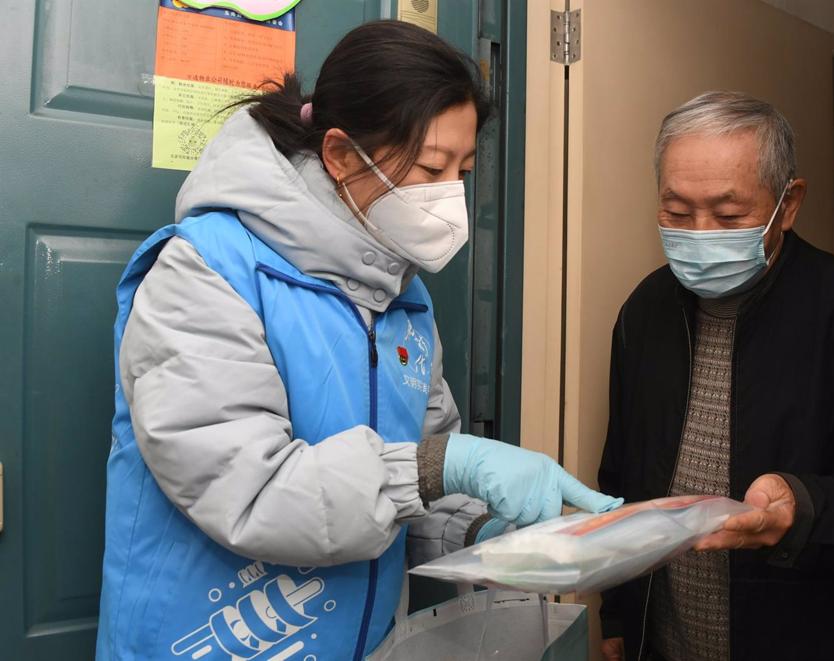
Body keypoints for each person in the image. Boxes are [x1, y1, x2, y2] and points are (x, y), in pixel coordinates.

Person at [97, 20, 620, 661]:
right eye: (432, 167)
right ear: (342, 155)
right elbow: (250, 491)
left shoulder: (403, 296)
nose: (451, 195)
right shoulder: (208, 269)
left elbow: (419, 489)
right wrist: (440, 464)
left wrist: (498, 533)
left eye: (463, 169)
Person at [598, 91, 834, 661]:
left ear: (788, 205)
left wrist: (802, 510)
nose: (701, 233)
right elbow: (623, 471)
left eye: (730, 214)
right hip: (663, 641)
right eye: (678, 211)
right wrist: (618, 611)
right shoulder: (644, 313)